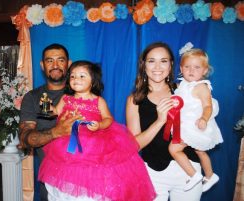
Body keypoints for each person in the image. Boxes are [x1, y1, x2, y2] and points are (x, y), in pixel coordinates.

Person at [40, 60, 156, 201]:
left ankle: (87, 192)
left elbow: (108, 119)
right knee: (69, 169)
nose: (76, 79)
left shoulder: (98, 100)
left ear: (93, 81)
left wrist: (100, 125)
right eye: (73, 76)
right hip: (68, 139)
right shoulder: (66, 98)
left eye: (82, 76)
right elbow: (56, 112)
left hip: (94, 142)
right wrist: (47, 107)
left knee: (90, 171)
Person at [126, 42, 202, 201]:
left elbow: (204, 124)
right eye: (151, 61)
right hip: (152, 173)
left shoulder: (186, 90)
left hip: (188, 171)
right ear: (143, 65)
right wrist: (160, 120)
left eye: (164, 60)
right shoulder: (135, 99)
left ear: (171, 65)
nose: (157, 66)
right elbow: (134, 145)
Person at [19, 43, 74, 201]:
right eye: (50, 61)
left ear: (68, 64)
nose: (55, 65)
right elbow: (24, 139)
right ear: (42, 65)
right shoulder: (33, 98)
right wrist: (56, 132)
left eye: (60, 60)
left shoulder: (83, 92)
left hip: (85, 177)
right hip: (51, 181)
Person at [168, 48, 223, 192]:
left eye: (197, 67)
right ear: (181, 68)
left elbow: (208, 106)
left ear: (205, 70)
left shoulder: (201, 87)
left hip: (196, 124)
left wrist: (204, 118)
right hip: (185, 124)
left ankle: (194, 175)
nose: (191, 70)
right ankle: (210, 175)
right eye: (187, 67)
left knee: (174, 149)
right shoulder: (181, 85)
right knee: (200, 151)